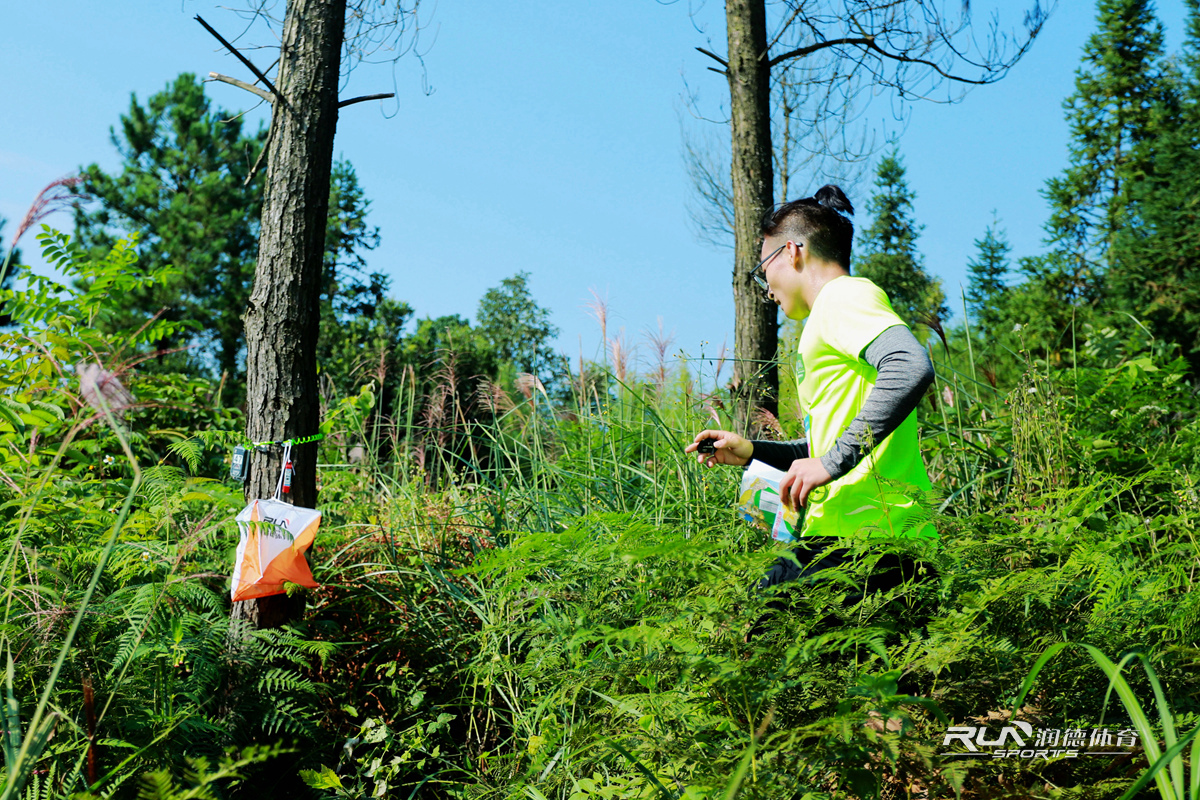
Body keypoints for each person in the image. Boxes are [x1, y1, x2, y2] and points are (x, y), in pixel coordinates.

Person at [684, 185, 937, 629]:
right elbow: (824, 449)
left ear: (792, 251)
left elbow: (910, 364)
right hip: (873, 542)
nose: (767, 290)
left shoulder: (843, 297)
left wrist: (833, 461)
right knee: (874, 695)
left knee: (765, 657)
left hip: (862, 543)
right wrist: (752, 451)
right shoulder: (829, 319)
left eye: (765, 270)